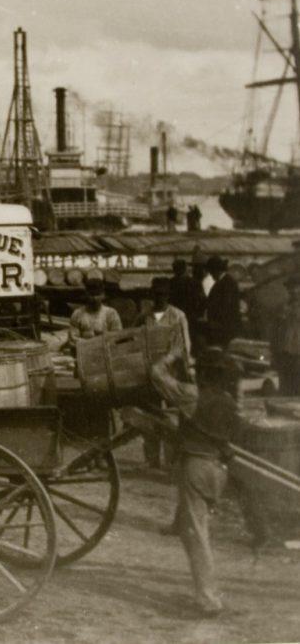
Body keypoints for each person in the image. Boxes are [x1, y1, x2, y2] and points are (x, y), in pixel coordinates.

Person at [150, 346, 243, 617]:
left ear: (202, 374)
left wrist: (171, 356)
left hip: (196, 469)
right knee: (193, 519)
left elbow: (156, 375)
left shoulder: (191, 395)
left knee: (198, 535)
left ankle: (208, 599)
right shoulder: (229, 402)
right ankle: (178, 524)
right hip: (218, 470)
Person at [134, 277, 191, 468]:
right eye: (156, 294)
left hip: (171, 374)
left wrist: (167, 361)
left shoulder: (178, 316)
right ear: (152, 295)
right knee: (150, 414)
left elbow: (183, 347)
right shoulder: (144, 316)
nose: (160, 298)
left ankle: (172, 460)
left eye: (163, 295)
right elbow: (134, 342)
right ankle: (151, 458)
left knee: (171, 416)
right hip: (149, 374)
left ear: (168, 296)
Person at [68, 278, 122, 345]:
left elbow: (117, 336)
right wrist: (90, 344)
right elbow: (73, 338)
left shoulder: (111, 313)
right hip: (84, 351)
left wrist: (102, 340)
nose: (95, 298)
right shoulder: (77, 314)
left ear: (103, 295)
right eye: (92, 295)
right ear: (86, 295)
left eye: (97, 294)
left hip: (106, 350)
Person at [272, 273, 300, 397]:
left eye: (296, 287)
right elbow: (276, 331)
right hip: (285, 352)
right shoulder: (283, 307)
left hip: (298, 352)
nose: (293, 291)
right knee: (286, 386)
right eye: (290, 288)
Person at [169, 258, 206, 348]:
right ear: (186, 269)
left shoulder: (170, 283)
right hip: (191, 317)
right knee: (189, 340)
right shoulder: (194, 283)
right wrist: (198, 314)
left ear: (174, 270)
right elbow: (203, 301)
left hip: (174, 317)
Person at [206, 255, 241, 348]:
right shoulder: (221, 282)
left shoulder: (228, 283)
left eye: (211, 272)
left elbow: (226, 306)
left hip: (225, 327)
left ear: (216, 270)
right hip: (221, 326)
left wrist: (215, 321)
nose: (211, 275)